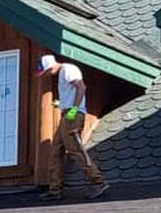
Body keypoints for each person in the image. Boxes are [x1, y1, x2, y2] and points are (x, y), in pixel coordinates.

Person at [36, 54, 110, 201]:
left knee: (75, 150)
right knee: (55, 152)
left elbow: (81, 87)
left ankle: (99, 182)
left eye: (46, 72)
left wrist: (74, 108)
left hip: (73, 116)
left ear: (50, 67)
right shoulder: (62, 73)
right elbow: (71, 92)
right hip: (67, 115)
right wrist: (62, 105)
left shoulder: (68, 69)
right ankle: (54, 190)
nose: (46, 76)